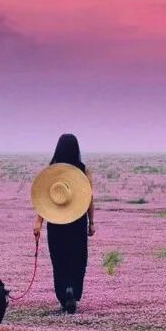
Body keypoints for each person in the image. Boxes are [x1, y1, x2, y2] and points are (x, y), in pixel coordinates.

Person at [33, 133, 95, 313]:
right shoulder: (83, 172)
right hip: (77, 221)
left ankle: (63, 293)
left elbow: (43, 199)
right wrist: (91, 223)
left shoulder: (52, 170)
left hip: (55, 220)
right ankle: (73, 291)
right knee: (77, 258)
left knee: (59, 259)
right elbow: (89, 199)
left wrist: (38, 222)